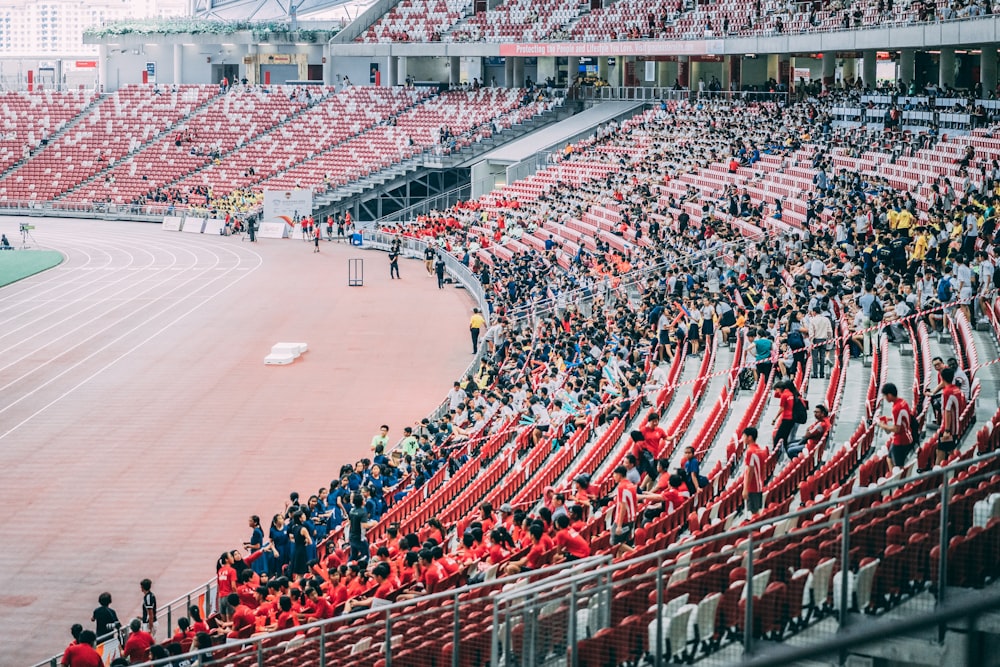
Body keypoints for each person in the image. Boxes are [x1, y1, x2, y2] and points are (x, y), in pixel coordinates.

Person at [875, 382, 915, 468]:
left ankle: (899, 480)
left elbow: (896, 429)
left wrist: (882, 425)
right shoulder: (903, 402)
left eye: (885, 396)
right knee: (889, 459)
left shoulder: (896, 408)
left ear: (889, 395)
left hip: (901, 440)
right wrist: (890, 419)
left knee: (899, 466)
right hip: (907, 436)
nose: (885, 398)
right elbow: (902, 418)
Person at [937, 366, 966, 465]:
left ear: (942, 378)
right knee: (948, 450)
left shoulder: (947, 392)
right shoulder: (956, 389)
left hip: (948, 429)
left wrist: (946, 430)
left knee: (941, 452)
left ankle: (936, 474)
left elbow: (947, 411)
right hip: (955, 427)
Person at [611, 465, 637, 551]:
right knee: (621, 543)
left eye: (614, 475)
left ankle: (636, 553)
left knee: (615, 543)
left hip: (623, 520)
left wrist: (619, 525)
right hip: (631, 519)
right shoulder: (631, 485)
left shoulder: (621, 487)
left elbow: (623, 506)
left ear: (619, 475)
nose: (613, 477)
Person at [742, 427, 766, 515]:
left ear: (750, 437)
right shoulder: (761, 450)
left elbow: (750, 471)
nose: (743, 438)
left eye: (744, 436)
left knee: (754, 512)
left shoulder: (750, 452)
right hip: (759, 484)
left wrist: (745, 489)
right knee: (756, 510)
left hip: (752, 487)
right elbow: (764, 468)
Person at [348, 492, 376, 564]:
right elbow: (364, 526)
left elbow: (349, 523)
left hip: (352, 536)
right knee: (366, 555)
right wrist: (373, 523)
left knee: (353, 555)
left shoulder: (351, 511)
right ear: (361, 502)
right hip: (359, 537)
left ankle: (347, 567)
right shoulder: (363, 512)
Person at [771, 380, 797, 455]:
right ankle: (786, 451)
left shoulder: (784, 395)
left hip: (787, 418)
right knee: (785, 437)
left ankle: (774, 453)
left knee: (777, 437)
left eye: (776, 389)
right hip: (792, 418)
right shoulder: (790, 393)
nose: (776, 391)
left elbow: (782, 408)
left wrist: (775, 419)